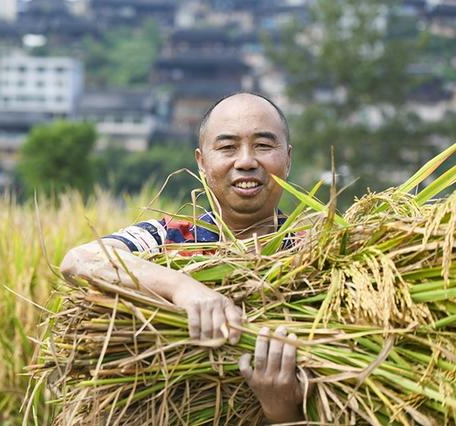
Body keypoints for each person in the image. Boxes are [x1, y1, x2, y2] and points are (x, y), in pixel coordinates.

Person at [60, 92, 305, 423]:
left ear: (287, 159)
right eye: (228, 147)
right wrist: (183, 288)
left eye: (263, 145)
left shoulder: (316, 253)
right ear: (202, 162)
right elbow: (79, 261)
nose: (246, 161)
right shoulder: (166, 239)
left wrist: (282, 410)